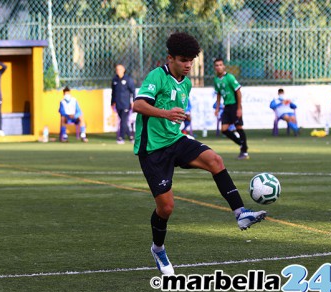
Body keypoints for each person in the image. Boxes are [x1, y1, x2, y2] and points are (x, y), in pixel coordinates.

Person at [132, 32, 267, 275]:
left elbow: (175, 112)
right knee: (166, 208)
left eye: (191, 60)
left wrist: (177, 119)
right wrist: (166, 114)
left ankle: (241, 213)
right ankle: (158, 248)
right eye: (183, 60)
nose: (187, 65)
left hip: (176, 139)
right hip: (153, 150)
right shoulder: (157, 76)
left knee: (215, 160)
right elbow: (138, 105)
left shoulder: (185, 82)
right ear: (170, 58)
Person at [213, 58, 249, 159]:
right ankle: (242, 144)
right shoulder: (216, 80)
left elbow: (238, 92)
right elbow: (219, 93)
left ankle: (244, 151)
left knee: (239, 128)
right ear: (214, 67)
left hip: (234, 105)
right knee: (224, 129)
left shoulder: (230, 77)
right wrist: (217, 107)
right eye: (217, 65)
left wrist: (239, 108)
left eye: (220, 65)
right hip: (226, 107)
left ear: (224, 66)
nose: (219, 67)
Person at [111, 63, 136, 144]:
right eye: (117, 69)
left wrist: (133, 102)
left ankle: (121, 138)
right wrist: (112, 102)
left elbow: (133, 91)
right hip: (118, 104)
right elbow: (113, 92)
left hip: (126, 104)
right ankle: (131, 137)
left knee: (123, 121)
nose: (118, 71)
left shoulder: (128, 79)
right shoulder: (115, 80)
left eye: (120, 69)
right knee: (122, 120)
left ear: (124, 70)